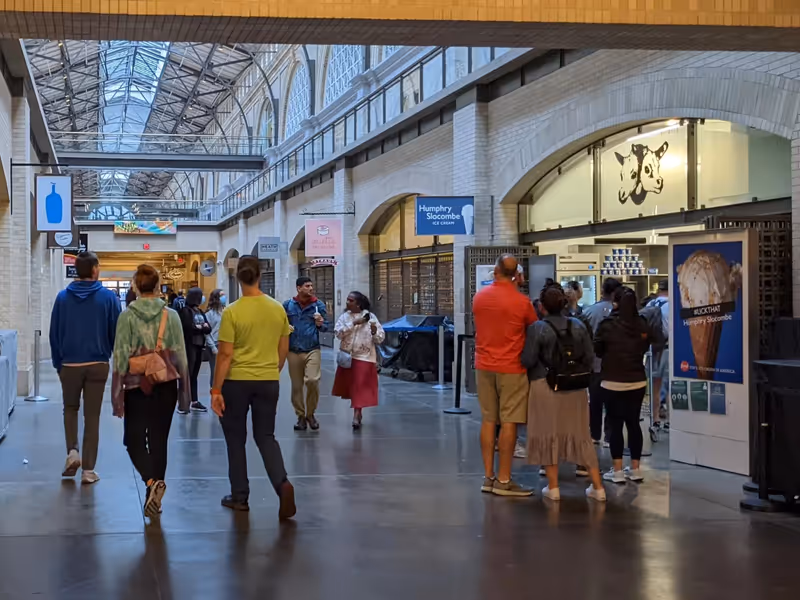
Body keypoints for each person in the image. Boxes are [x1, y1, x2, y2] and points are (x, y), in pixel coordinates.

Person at [210, 256, 296, 519]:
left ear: (238, 278)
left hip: (236, 382)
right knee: (265, 437)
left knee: (236, 440)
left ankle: (240, 496)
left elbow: (224, 355)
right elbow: (284, 347)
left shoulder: (233, 312)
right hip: (268, 380)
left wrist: (216, 390)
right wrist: (272, 369)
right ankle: (282, 484)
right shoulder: (277, 309)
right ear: (260, 276)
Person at [111, 264, 190, 517]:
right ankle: (153, 492)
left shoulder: (127, 317)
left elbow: (120, 358)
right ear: (157, 287)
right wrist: (185, 394)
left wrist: (116, 395)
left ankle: (150, 484)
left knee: (133, 441)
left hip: (136, 387)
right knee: (159, 442)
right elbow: (181, 357)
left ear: (134, 286)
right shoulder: (172, 316)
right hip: (165, 386)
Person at [521, 285, 606, 502]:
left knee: (547, 433)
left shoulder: (537, 328)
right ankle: (598, 487)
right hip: (576, 388)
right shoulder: (578, 325)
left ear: (541, 306)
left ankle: (554, 487)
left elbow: (528, 360)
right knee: (581, 434)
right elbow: (589, 356)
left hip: (545, 386)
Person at [49, 251, 121, 484]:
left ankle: (72, 452)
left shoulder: (62, 298)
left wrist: (58, 363)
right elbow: (116, 332)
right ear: (94, 270)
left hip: (69, 363)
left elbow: (54, 334)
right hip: (98, 363)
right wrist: (107, 353)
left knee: (70, 409)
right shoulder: (108, 298)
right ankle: (88, 471)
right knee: (92, 416)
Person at [472, 254, 537, 497]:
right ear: (518, 276)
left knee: (489, 420)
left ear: (495, 271)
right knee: (509, 421)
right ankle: (504, 479)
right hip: (512, 367)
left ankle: (488, 477)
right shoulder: (522, 302)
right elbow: (533, 327)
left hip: (484, 365)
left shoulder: (479, 297)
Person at [594, 286, 654, 484]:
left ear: (615, 302)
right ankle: (635, 469)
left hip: (612, 381)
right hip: (637, 380)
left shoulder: (607, 324)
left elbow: (598, 350)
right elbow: (647, 345)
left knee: (615, 424)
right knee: (633, 423)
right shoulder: (641, 323)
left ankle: (617, 471)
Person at [332, 292, 385, 430]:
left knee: (360, 385)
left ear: (358, 303)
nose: (347, 302)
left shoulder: (371, 317)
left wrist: (374, 331)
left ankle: (357, 413)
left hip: (365, 356)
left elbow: (380, 338)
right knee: (352, 385)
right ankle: (357, 410)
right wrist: (354, 324)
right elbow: (338, 333)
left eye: (350, 300)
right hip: (348, 356)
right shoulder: (344, 317)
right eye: (347, 299)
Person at [283, 277, 328, 431]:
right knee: (296, 386)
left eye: (311, 286)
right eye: (307, 286)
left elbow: (326, 327)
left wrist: (320, 323)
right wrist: (285, 327)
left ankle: (311, 413)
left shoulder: (318, 305)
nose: (311, 288)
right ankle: (301, 416)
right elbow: (280, 324)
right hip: (293, 350)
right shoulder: (288, 305)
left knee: (312, 380)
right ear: (298, 288)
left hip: (312, 348)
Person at [582, 277, 621, 444]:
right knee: (612, 403)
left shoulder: (589, 311)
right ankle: (609, 435)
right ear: (615, 293)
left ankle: (594, 434)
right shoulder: (619, 312)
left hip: (593, 364)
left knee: (595, 402)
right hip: (614, 365)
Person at [178, 287, 210, 413]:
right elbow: (188, 328)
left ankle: (194, 401)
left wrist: (199, 327)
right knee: (187, 374)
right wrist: (201, 327)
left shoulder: (200, 312)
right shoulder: (185, 311)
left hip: (199, 346)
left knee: (194, 375)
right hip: (189, 346)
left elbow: (208, 328)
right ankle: (183, 402)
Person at [646, 280, 670, 425]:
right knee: (670, 386)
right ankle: (669, 420)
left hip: (652, 350)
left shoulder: (650, 304)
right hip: (667, 349)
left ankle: (655, 418)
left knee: (655, 386)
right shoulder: (672, 305)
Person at [204, 289, 226, 391]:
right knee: (215, 369)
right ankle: (214, 389)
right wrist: (212, 346)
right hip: (214, 344)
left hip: (225, 343)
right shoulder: (210, 314)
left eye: (224, 295)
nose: (224, 297)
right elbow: (207, 332)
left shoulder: (226, 311)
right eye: (221, 295)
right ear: (216, 298)